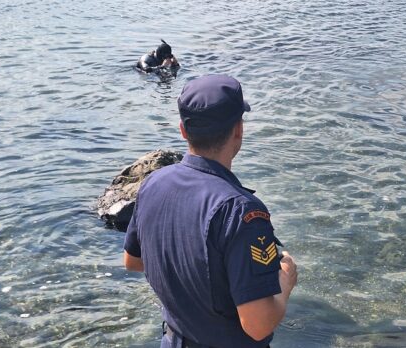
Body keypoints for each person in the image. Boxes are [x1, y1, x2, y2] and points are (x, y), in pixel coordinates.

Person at [123, 74, 298, 348]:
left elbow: (133, 261)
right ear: (238, 129)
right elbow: (258, 324)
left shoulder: (152, 184)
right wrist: (285, 282)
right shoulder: (242, 211)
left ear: (183, 130)